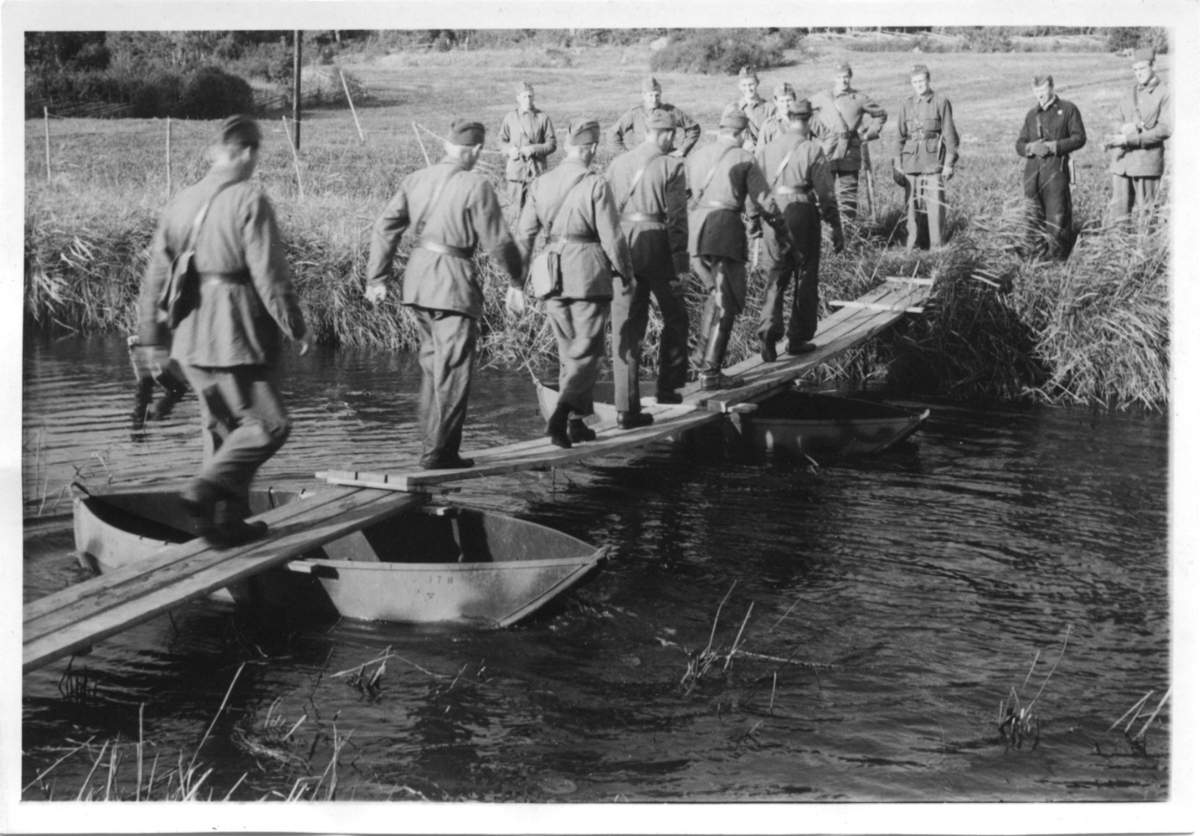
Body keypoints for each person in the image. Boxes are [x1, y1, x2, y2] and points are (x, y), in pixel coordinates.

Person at [135, 115, 309, 546]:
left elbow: (155, 277)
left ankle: (220, 526)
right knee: (269, 425)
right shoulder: (249, 198)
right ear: (246, 152)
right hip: (234, 332)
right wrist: (296, 326)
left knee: (222, 427)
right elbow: (270, 275)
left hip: (189, 336)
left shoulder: (182, 200)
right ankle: (203, 488)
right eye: (256, 153)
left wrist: (152, 340)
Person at [366, 119, 525, 470]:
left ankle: (431, 447)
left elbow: (385, 227)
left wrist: (377, 277)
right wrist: (517, 281)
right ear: (477, 150)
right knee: (452, 371)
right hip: (452, 285)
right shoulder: (476, 185)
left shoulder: (416, 179)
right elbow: (499, 243)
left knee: (433, 368)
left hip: (418, 284)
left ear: (448, 146)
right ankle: (440, 453)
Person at [516, 118, 635, 447]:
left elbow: (524, 236)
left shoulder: (541, 183)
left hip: (551, 274)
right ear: (593, 148)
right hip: (588, 274)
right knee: (589, 353)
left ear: (568, 146)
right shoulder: (596, 183)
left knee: (569, 351)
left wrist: (517, 282)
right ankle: (560, 417)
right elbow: (612, 237)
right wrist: (626, 272)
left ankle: (576, 423)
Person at [686, 111, 789, 391]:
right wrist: (782, 231)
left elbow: (683, 193)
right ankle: (711, 372)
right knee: (728, 301)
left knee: (716, 295)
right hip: (724, 231)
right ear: (743, 134)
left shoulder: (697, 156)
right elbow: (762, 203)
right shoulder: (744, 157)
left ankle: (700, 355)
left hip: (697, 230)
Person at [605, 108, 690, 426]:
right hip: (657, 247)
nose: (673, 142)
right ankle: (668, 389)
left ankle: (626, 409)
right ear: (666, 134)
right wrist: (681, 263)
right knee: (676, 316)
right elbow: (677, 218)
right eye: (673, 135)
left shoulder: (618, 164)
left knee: (626, 327)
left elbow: (606, 211)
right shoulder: (672, 165)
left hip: (623, 248)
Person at [755, 98, 844, 362]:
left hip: (772, 215)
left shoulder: (768, 149)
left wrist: (756, 223)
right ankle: (797, 338)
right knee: (804, 274)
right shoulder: (811, 149)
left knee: (776, 275)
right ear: (809, 121)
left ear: (789, 119)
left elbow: (755, 188)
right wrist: (835, 225)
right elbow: (825, 193)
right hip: (802, 213)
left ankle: (768, 338)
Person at [1015, 74, 1087, 259]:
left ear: (1052, 88)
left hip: (1056, 171)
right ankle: (1035, 256)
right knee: (1033, 215)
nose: (1039, 95)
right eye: (1036, 91)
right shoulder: (1032, 115)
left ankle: (1057, 259)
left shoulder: (1068, 109)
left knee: (1057, 215)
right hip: (1033, 175)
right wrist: (1030, 148)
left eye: (1043, 90)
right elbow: (1019, 144)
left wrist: (1056, 146)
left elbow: (1079, 138)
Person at [808, 60, 887, 223]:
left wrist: (867, 135)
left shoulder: (860, 98)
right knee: (825, 194)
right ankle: (828, 232)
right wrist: (818, 131)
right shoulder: (823, 97)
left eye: (845, 76)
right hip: (827, 152)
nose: (843, 80)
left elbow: (880, 114)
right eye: (839, 77)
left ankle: (849, 232)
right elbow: (802, 111)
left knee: (848, 196)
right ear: (833, 78)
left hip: (850, 152)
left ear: (850, 77)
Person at [893, 63, 960, 250]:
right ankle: (911, 247)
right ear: (911, 83)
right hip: (911, 162)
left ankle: (936, 247)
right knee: (911, 208)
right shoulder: (906, 105)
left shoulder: (940, 102)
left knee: (935, 207)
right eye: (915, 82)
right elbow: (899, 137)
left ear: (928, 80)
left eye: (922, 80)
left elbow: (950, 136)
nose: (919, 85)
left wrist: (948, 164)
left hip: (933, 162)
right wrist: (897, 165)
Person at [1103, 48, 1171, 230]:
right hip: (1122, 164)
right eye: (1135, 70)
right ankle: (1118, 248)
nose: (1138, 73)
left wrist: (1130, 139)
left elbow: (1165, 129)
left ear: (1154, 66)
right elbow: (1115, 119)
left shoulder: (1165, 93)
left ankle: (1144, 249)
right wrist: (1122, 128)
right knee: (1118, 218)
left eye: (1142, 68)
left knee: (1147, 218)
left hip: (1146, 163)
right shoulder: (1129, 92)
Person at [497, 82, 557, 215]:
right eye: (524, 96)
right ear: (518, 98)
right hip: (515, 175)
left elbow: (552, 144)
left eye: (530, 96)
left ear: (534, 96)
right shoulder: (510, 118)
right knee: (514, 214)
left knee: (536, 214)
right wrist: (509, 150)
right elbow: (501, 141)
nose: (528, 99)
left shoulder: (542, 118)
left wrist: (533, 149)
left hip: (537, 174)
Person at [610, 76, 702, 158]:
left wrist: (681, 151)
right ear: (643, 96)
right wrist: (626, 155)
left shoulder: (671, 111)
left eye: (657, 95)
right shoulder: (634, 114)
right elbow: (612, 134)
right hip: (642, 160)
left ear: (661, 94)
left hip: (666, 160)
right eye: (650, 95)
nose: (654, 99)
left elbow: (694, 128)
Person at [722, 66, 775, 152]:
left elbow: (776, 137)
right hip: (740, 154)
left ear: (757, 83)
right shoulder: (732, 109)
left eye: (751, 84)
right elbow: (723, 136)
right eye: (744, 85)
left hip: (764, 154)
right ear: (739, 86)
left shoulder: (769, 108)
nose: (748, 89)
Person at [755, 82, 800, 153]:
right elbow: (760, 153)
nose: (785, 104)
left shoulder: (802, 122)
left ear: (795, 99)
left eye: (789, 100)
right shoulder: (769, 125)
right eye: (782, 101)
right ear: (775, 102)